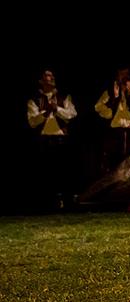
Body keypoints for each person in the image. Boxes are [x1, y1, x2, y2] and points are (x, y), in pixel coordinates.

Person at [26, 69, 78, 210]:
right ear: (41, 81)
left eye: (52, 75)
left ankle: (66, 203)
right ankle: (46, 204)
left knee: (63, 173)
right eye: (47, 76)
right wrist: (46, 112)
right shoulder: (34, 100)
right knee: (46, 174)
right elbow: (32, 122)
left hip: (61, 141)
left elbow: (72, 114)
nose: (51, 78)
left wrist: (57, 109)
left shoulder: (63, 97)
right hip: (43, 142)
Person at [94, 66, 130, 173]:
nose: (125, 77)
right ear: (117, 77)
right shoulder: (110, 92)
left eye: (127, 74)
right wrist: (110, 111)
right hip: (114, 132)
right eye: (122, 75)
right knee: (114, 161)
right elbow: (98, 106)